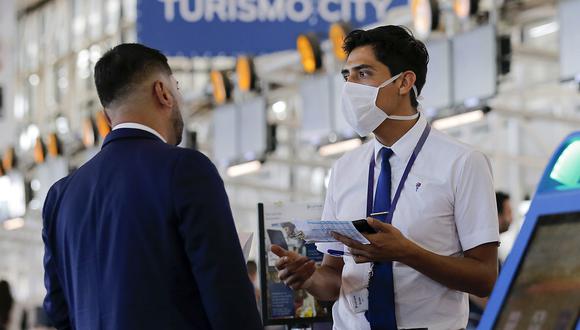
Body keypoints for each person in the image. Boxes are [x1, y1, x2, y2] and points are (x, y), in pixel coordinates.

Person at [272, 25, 500, 330]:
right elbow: (333, 277)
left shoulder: (462, 162)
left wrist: (407, 252)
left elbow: (484, 279)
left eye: (364, 73)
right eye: (347, 75)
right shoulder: (344, 169)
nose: (351, 86)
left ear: (405, 82)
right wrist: (309, 277)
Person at [42, 43, 262, 330]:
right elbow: (229, 302)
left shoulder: (61, 196)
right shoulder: (186, 170)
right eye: (177, 87)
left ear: (108, 115)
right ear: (163, 92)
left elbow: (57, 312)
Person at [467, 191, 513, 328]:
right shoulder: (474, 249)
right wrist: (498, 312)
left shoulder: (494, 254)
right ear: (495, 215)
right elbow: (470, 289)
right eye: (508, 212)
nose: (511, 218)